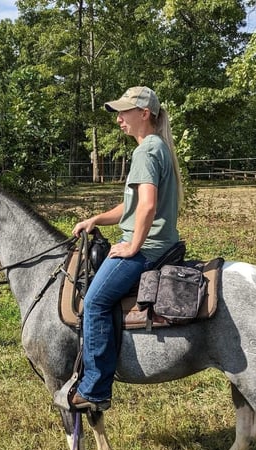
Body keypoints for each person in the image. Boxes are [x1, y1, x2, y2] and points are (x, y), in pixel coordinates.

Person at [58, 86, 183, 411]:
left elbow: (148, 207)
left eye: (124, 112)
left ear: (144, 114)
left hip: (149, 248)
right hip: (160, 243)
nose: (118, 119)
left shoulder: (146, 151)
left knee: (95, 301)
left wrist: (132, 247)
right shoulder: (155, 147)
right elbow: (132, 206)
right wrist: (97, 218)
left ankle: (95, 389)